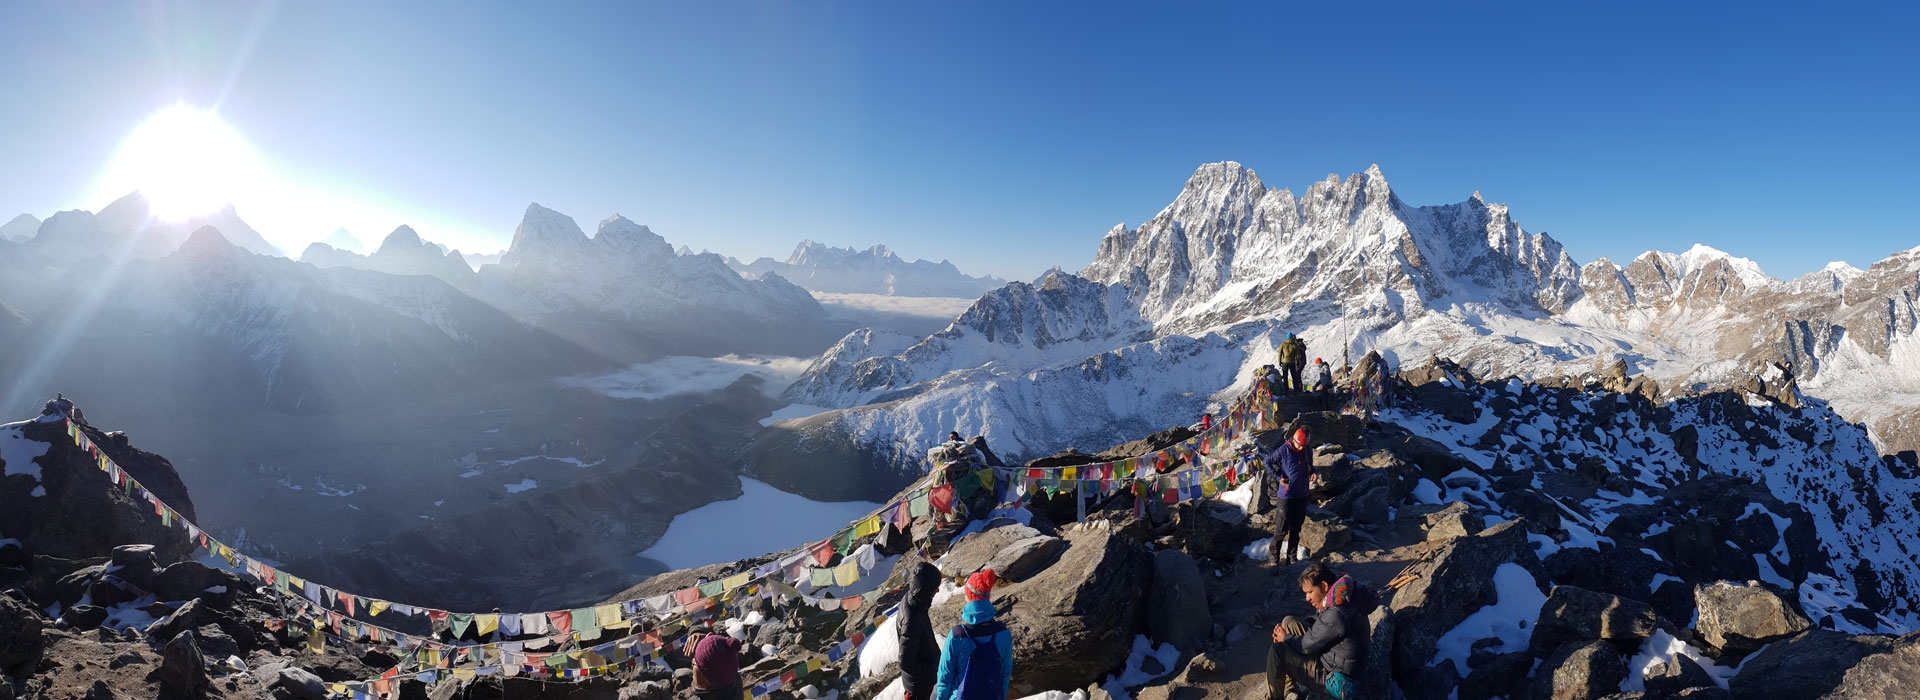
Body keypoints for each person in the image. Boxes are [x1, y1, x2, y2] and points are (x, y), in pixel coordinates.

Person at [1265, 562, 1372, 700]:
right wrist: (1287, 633)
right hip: (1338, 662)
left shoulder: (1336, 613)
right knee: (1289, 622)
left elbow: (1305, 646)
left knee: (1277, 652)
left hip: (1340, 682)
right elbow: (1322, 623)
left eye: (1310, 592)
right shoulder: (1340, 596)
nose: (1307, 598)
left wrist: (1284, 638)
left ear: (1324, 586)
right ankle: (1290, 689)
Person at [933, 570, 1013, 700]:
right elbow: (1005, 672)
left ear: (969, 597)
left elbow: (944, 678)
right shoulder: (1003, 633)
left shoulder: (957, 635)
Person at [1261, 427, 1313, 565]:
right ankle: (1274, 558)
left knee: (1296, 529)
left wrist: (1313, 472)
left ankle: (1291, 557)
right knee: (1281, 529)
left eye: (1304, 446)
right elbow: (1267, 462)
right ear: (1294, 440)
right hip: (1286, 495)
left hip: (1302, 494)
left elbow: (1311, 465)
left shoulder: (1308, 449)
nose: (1302, 448)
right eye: (1300, 445)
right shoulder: (1284, 449)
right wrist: (1279, 478)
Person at [899, 559, 944, 700]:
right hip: (918, 686)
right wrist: (932, 671)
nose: (937, 591)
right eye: (935, 587)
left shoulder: (916, 602)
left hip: (919, 683)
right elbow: (906, 662)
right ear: (926, 588)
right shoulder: (912, 618)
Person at [687, 624, 744, 699]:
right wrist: (697, 632)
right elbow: (719, 646)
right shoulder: (729, 677)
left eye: (694, 663)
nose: (692, 663)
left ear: (707, 679)